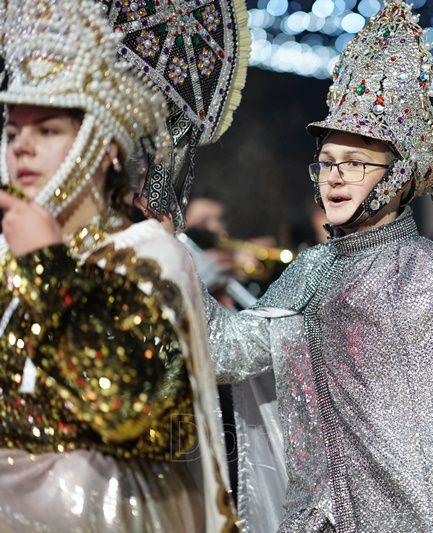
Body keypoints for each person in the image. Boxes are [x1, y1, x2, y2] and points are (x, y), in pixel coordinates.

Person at [202, 2, 433, 531]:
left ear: (396, 176)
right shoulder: (313, 269)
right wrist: (168, 256)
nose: (334, 177)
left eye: (354, 163)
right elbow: (231, 352)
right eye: (327, 163)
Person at [0, 0, 249, 529]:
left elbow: (127, 406)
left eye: (48, 130)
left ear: (104, 145)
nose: (23, 148)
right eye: (13, 132)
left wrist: (46, 268)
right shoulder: (7, 254)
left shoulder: (148, 252)